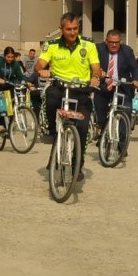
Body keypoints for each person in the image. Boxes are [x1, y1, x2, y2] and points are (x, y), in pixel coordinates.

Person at [35, 13, 101, 180]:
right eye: (69, 29)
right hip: (60, 88)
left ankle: (77, 165)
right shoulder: (51, 45)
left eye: (75, 28)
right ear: (61, 29)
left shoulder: (89, 45)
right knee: (50, 96)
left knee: (83, 128)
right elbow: (40, 64)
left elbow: (96, 67)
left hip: (81, 91)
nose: (72, 32)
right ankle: (52, 130)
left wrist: (95, 77)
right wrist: (42, 70)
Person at [94, 29, 138, 133]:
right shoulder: (98, 49)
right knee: (100, 107)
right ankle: (101, 128)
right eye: (111, 42)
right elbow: (91, 65)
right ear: (106, 41)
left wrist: (135, 80)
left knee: (126, 111)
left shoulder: (127, 51)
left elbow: (134, 68)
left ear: (120, 42)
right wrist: (96, 74)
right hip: (104, 85)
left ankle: (122, 141)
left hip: (122, 86)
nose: (114, 45)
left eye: (117, 42)